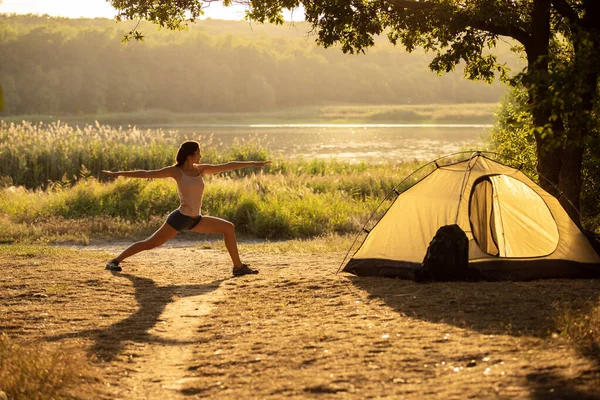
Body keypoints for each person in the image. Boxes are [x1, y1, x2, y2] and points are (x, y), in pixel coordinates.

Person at [101, 140, 271, 276]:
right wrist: (119, 174)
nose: (201, 156)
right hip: (180, 218)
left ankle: (238, 267)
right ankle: (115, 261)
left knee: (228, 228)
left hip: (195, 219)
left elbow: (228, 165)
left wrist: (253, 163)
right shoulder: (176, 171)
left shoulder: (200, 170)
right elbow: (147, 174)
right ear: (190, 155)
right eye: (198, 153)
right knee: (150, 243)